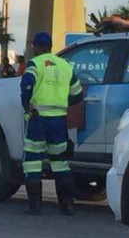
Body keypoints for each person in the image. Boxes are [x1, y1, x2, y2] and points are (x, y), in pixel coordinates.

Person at [20, 32, 83, 216]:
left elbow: (26, 86)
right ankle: (67, 206)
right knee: (60, 162)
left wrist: (27, 105)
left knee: (33, 162)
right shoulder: (65, 66)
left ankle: (35, 206)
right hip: (58, 120)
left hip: (38, 119)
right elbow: (77, 93)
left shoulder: (35, 64)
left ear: (35, 47)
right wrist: (62, 104)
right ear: (51, 45)